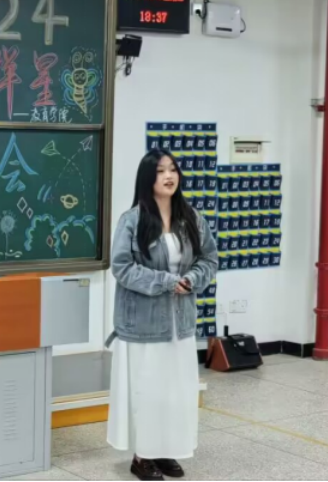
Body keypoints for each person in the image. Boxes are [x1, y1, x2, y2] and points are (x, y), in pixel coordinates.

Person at [106, 149, 218, 482]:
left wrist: (192, 279)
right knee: (148, 392)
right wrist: (167, 282)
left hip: (180, 324)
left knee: (175, 392)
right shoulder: (132, 219)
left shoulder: (192, 217)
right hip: (142, 324)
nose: (169, 176)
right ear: (147, 178)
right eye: (160, 171)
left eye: (172, 169)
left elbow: (209, 259)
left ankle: (165, 448)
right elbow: (122, 267)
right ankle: (142, 456)